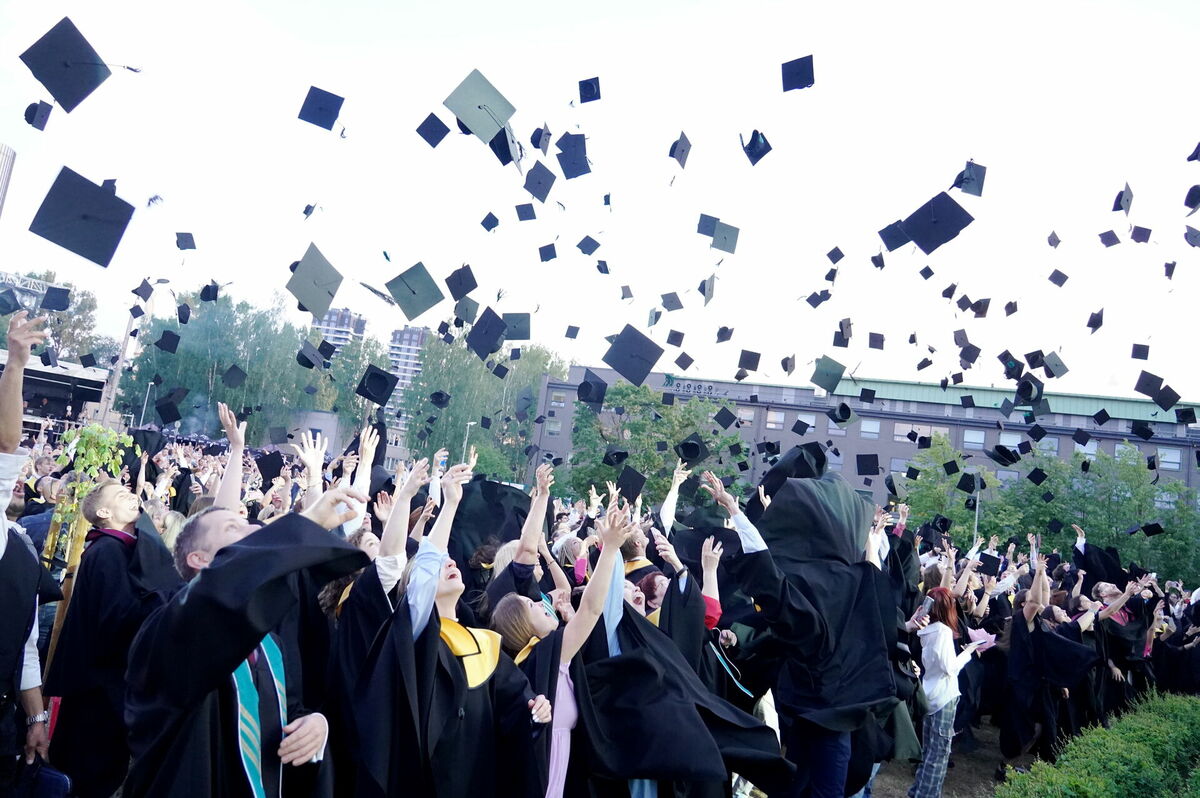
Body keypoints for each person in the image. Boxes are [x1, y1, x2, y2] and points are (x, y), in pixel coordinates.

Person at [123, 483, 371, 797]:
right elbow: (219, 590)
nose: (254, 526)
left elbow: (289, 712)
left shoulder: (270, 646)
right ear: (201, 559)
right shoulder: (168, 630)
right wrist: (306, 523)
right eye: (233, 527)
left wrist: (316, 725)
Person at [355, 452, 553, 798]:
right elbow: (421, 574)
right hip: (425, 781)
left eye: (450, 559)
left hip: (479, 780)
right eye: (438, 562)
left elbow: (515, 709)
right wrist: (448, 505)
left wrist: (536, 710)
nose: (449, 562)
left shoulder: (484, 643)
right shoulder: (416, 636)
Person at [43, 474, 179, 796]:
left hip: (103, 695)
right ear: (104, 514)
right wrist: (165, 600)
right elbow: (118, 621)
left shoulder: (117, 551)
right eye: (120, 495)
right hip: (99, 700)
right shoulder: (107, 552)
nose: (131, 496)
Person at [0, 312, 52, 791]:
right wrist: (15, 364)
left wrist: (37, 718)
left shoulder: (23, 549)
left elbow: (26, 643)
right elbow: (6, 442)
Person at [908, 586, 982, 798]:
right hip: (943, 697)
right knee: (938, 755)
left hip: (930, 693)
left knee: (929, 752)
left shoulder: (926, 630)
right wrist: (968, 652)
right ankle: (926, 795)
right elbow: (949, 668)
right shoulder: (942, 631)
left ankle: (917, 792)